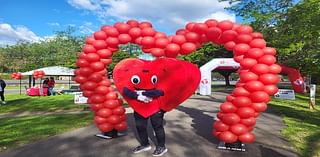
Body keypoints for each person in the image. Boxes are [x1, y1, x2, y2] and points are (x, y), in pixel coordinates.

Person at [123, 87, 167, 156]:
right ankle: (145, 144)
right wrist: (137, 96)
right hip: (139, 106)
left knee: (157, 127)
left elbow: (161, 92)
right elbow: (125, 90)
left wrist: (143, 93)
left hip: (155, 106)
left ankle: (162, 146)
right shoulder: (133, 76)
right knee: (140, 126)